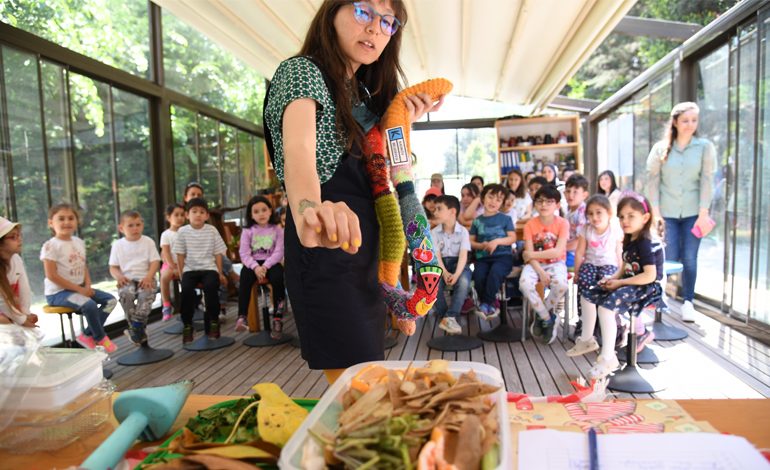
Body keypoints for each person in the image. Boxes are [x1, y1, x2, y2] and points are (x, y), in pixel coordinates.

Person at [263, 0, 442, 384]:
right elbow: (299, 152)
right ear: (332, 13)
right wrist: (311, 209)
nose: (376, 28)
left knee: (365, 379)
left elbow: (388, 172)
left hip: (364, 255)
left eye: (388, 22)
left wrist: (402, 120)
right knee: (359, 387)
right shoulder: (301, 72)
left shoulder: (361, 94)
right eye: (364, 11)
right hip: (328, 249)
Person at [646, 101, 716, 322]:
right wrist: (655, 212)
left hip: (694, 213)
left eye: (694, 120)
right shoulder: (660, 149)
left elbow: (707, 181)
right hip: (666, 213)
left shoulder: (704, 147)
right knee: (668, 258)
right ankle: (660, 299)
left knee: (690, 258)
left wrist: (704, 212)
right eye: (685, 120)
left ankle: (688, 302)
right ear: (675, 122)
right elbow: (652, 181)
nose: (690, 125)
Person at [580, 193, 663, 379]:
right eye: (622, 217)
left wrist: (620, 282)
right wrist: (612, 278)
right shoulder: (629, 239)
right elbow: (625, 267)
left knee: (606, 308)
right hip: (630, 282)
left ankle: (608, 357)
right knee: (588, 293)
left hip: (646, 287)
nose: (625, 220)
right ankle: (586, 339)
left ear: (645, 217)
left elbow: (650, 276)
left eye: (631, 216)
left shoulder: (645, 243)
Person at [41, 203, 117, 352]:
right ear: (51, 223)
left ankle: (87, 334)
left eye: (71, 218)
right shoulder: (51, 246)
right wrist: (79, 290)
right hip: (58, 293)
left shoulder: (79, 242)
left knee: (111, 300)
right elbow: (51, 275)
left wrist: (87, 286)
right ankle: (100, 337)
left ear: (77, 221)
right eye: (61, 219)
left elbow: (83, 266)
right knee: (89, 304)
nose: (66, 222)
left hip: (79, 289)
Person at [567, 194, 623, 358]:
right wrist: (577, 272)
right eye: (590, 214)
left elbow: (619, 253)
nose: (594, 217)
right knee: (584, 283)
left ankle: (608, 327)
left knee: (605, 285)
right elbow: (579, 253)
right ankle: (584, 325)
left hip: (609, 265)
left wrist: (620, 274)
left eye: (599, 213)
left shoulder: (614, 230)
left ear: (609, 213)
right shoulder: (586, 230)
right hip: (591, 263)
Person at [173, 198, 228, 344]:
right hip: (190, 270)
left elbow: (218, 253)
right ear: (187, 215)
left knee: (211, 287)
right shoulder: (182, 232)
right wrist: (181, 274)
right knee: (186, 290)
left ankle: (214, 322)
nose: (198, 215)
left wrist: (220, 272)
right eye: (194, 211)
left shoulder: (211, 230)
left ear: (207, 216)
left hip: (209, 268)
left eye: (202, 212)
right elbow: (180, 255)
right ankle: (187, 324)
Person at [519, 185, 569, 344]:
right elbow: (528, 256)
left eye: (549, 202)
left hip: (557, 263)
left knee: (561, 284)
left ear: (557, 205)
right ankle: (548, 318)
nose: (544, 205)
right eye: (540, 201)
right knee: (524, 284)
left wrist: (531, 254)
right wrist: (540, 271)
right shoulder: (530, 225)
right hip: (535, 265)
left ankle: (541, 315)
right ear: (535, 204)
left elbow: (557, 252)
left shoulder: (563, 223)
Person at [108, 210, 161, 346]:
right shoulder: (117, 245)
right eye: (130, 225)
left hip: (146, 278)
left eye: (138, 225)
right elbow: (113, 267)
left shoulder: (148, 242)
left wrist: (149, 276)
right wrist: (119, 277)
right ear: (121, 228)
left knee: (146, 295)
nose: (135, 228)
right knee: (125, 294)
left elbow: (155, 262)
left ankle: (136, 327)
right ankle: (137, 329)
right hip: (128, 280)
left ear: (142, 225)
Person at [237, 195, 286, 339]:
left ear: (270, 211)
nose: (261, 214)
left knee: (278, 278)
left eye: (264, 210)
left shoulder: (277, 229)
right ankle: (242, 316)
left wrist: (265, 265)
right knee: (244, 279)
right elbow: (244, 253)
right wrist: (255, 267)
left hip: (271, 262)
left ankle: (278, 317)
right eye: (256, 211)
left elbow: (279, 251)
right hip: (253, 264)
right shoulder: (247, 231)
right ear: (251, 215)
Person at [470, 184, 515, 320]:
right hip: (482, 258)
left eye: (498, 199)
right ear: (483, 198)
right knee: (478, 276)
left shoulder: (506, 219)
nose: (493, 202)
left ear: (502, 203)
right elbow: (471, 241)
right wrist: (481, 245)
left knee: (495, 272)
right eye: (490, 197)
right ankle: (490, 303)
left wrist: (496, 242)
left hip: (503, 257)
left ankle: (487, 303)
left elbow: (513, 237)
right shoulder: (477, 221)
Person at [430, 195, 471, 335]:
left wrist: (456, 274)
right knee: (432, 282)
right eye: (434, 209)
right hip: (440, 265)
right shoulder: (433, 232)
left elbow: (463, 256)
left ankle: (450, 316)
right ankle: (444, 317)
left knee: (464, 281)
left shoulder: (463, 232)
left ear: (452, 211)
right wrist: (445, 273)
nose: (435, 212)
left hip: (458, 264)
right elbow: (436, 257)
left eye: (439, 209)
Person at [0, 217, 37, 327]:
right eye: (13, 237)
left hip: (9, 310)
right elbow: (2, 301)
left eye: (19, 235)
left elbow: (24, 290)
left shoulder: (16, 259)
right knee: (5, 321)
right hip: (4, 309)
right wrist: (22, 320)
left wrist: (26, 313)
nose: (19, 239)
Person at [159, 203, 185, 321]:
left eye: (182, 215)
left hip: (184, 263)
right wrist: (173, 267)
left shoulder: (186, 232)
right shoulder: (166, 234)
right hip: (170, 263)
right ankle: (166, 305)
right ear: (169, 217)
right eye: (176, 215)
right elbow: (166, 252)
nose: (180, 218)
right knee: (164, 277)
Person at [564, 174, 589, 272]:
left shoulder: (583, 212)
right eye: (568, 191)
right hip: (569, 251)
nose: (570, 195)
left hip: (579, 255)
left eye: (575, 192)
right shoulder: (570, 212)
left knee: (550, 262)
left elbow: (579, 242)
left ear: (584, 195)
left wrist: (559, 249)